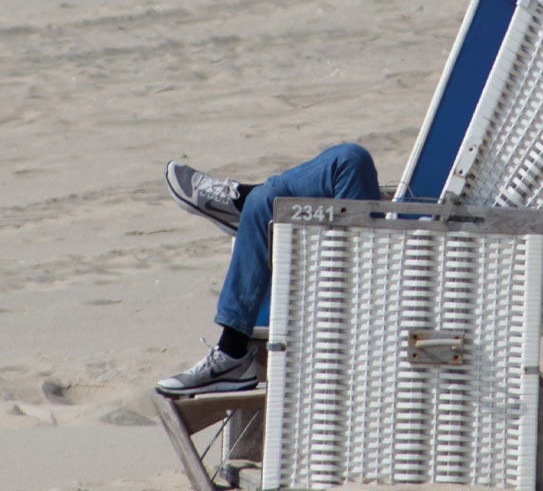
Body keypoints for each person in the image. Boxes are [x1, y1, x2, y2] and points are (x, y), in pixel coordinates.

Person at [155, 143, 381, 396]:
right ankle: (247, 202)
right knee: (267, 200)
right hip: (384, 250)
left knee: (350, 161)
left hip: (389, 274)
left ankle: (242, 202)